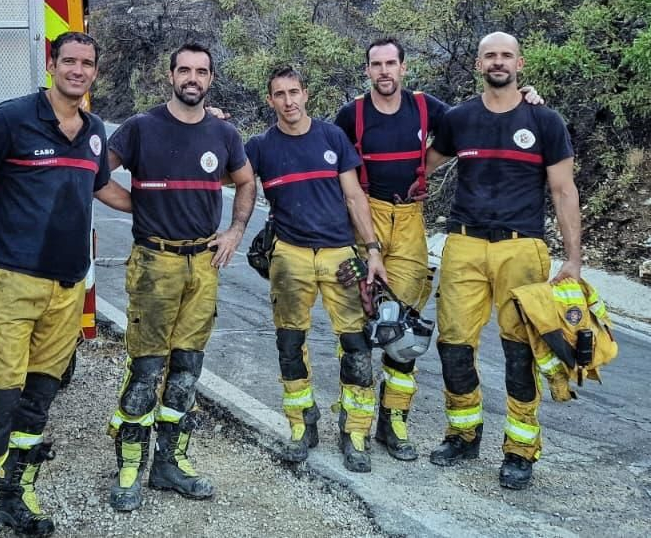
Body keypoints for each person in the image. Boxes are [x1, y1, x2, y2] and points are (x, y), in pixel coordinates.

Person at [332, 37, 542, 462]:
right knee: (357, 328)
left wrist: (525, 100)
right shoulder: (350, 115)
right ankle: (353, 426)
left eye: (391, 63)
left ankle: (394, 422)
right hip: (364, 220)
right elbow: (327, 164)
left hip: (411, 221)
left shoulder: (428, 108)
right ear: (367, 70)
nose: (384, 71)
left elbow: (482, 116)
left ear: (404, 68)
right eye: (376, 64)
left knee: (404, 329)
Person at [0, 32, 132, 538]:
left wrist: (159, 209)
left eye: (87, 63)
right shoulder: (12, 118)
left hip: (67, 289)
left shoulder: (95, 129)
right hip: (12, 282)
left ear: (95, 72)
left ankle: (17, 493)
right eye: (69, 61)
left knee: (38, 399)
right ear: (51, 63)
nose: (78, 71)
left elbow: (100, 186)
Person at [424, 32, 582, 491]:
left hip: (522, 247)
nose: (498, 62)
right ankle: (462, 433)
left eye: (506, 55)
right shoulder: (458, 119)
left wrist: (573, 259)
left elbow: (564, 191)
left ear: (520, 63)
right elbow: (421, 166)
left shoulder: (545, 120)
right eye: (490, 55)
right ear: (478, 64)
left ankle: (519, 450)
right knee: (453, 344)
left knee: (520, 350)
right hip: (464, 245)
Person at [103, 43, 258, 512]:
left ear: (211, 79)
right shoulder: (140, 128)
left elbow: (246, 181)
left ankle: (169, 464)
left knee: (187, 370)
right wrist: (138, 206)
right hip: (155, 263)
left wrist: (235, 231)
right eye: (185, 70)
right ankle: (130, 468)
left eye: (201, 71)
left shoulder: (223, 132)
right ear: (170, 76)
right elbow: (95, 174)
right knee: (146, 370)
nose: (193, 78)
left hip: (204, 264)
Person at [244, 65, 387, 473]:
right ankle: (301, 424)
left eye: (294, 92)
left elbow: (355, 197)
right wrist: (211, 123)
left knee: (356, 344)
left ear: (306, 94)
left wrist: (372, 251)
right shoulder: (260, 147)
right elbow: (229, 176)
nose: (288, 101)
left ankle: (354, 431)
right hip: (289, 254)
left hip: (340, 255)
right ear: (270, 100)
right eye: (279, 94)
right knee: (290, 342)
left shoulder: (332, 137)